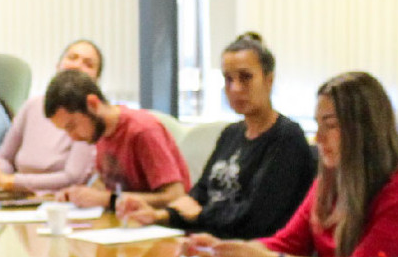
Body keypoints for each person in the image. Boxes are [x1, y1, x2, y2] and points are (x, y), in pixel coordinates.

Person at [186, 71, 398, 257]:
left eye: (330, 126)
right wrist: (228, 251)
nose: (318, 138)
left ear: (365, 129)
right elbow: (288, 243)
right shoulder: (330, 181)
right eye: (317, 125)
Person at [119, 32, 313, 239]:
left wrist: (201, 214)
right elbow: (199, 194)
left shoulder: (286, 137)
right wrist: (157, 215)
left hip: (251, 254)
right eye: (228, 79)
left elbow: (255, 217)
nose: (235, 88)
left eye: (245, 77)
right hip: (206, 244)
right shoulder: (231, 133)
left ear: (269, 80)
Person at [0, 40, 101, 194]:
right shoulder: (32, 106)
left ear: (96, 79)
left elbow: (73, 177)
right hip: (17, 197)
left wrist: (11, 182)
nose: (77, 65)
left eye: (88, 64)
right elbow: (5, 159)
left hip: (56, 201)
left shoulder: (90, 116)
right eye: (72, 57)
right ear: (58, 66)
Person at [44, 70, 191, 210]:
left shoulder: (143, 131)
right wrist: (79, 195)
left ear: (93, 104)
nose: (73, 137)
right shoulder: (100, 133)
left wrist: (108, 200)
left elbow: (175, 197)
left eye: (72, 126)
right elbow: (106, 184)